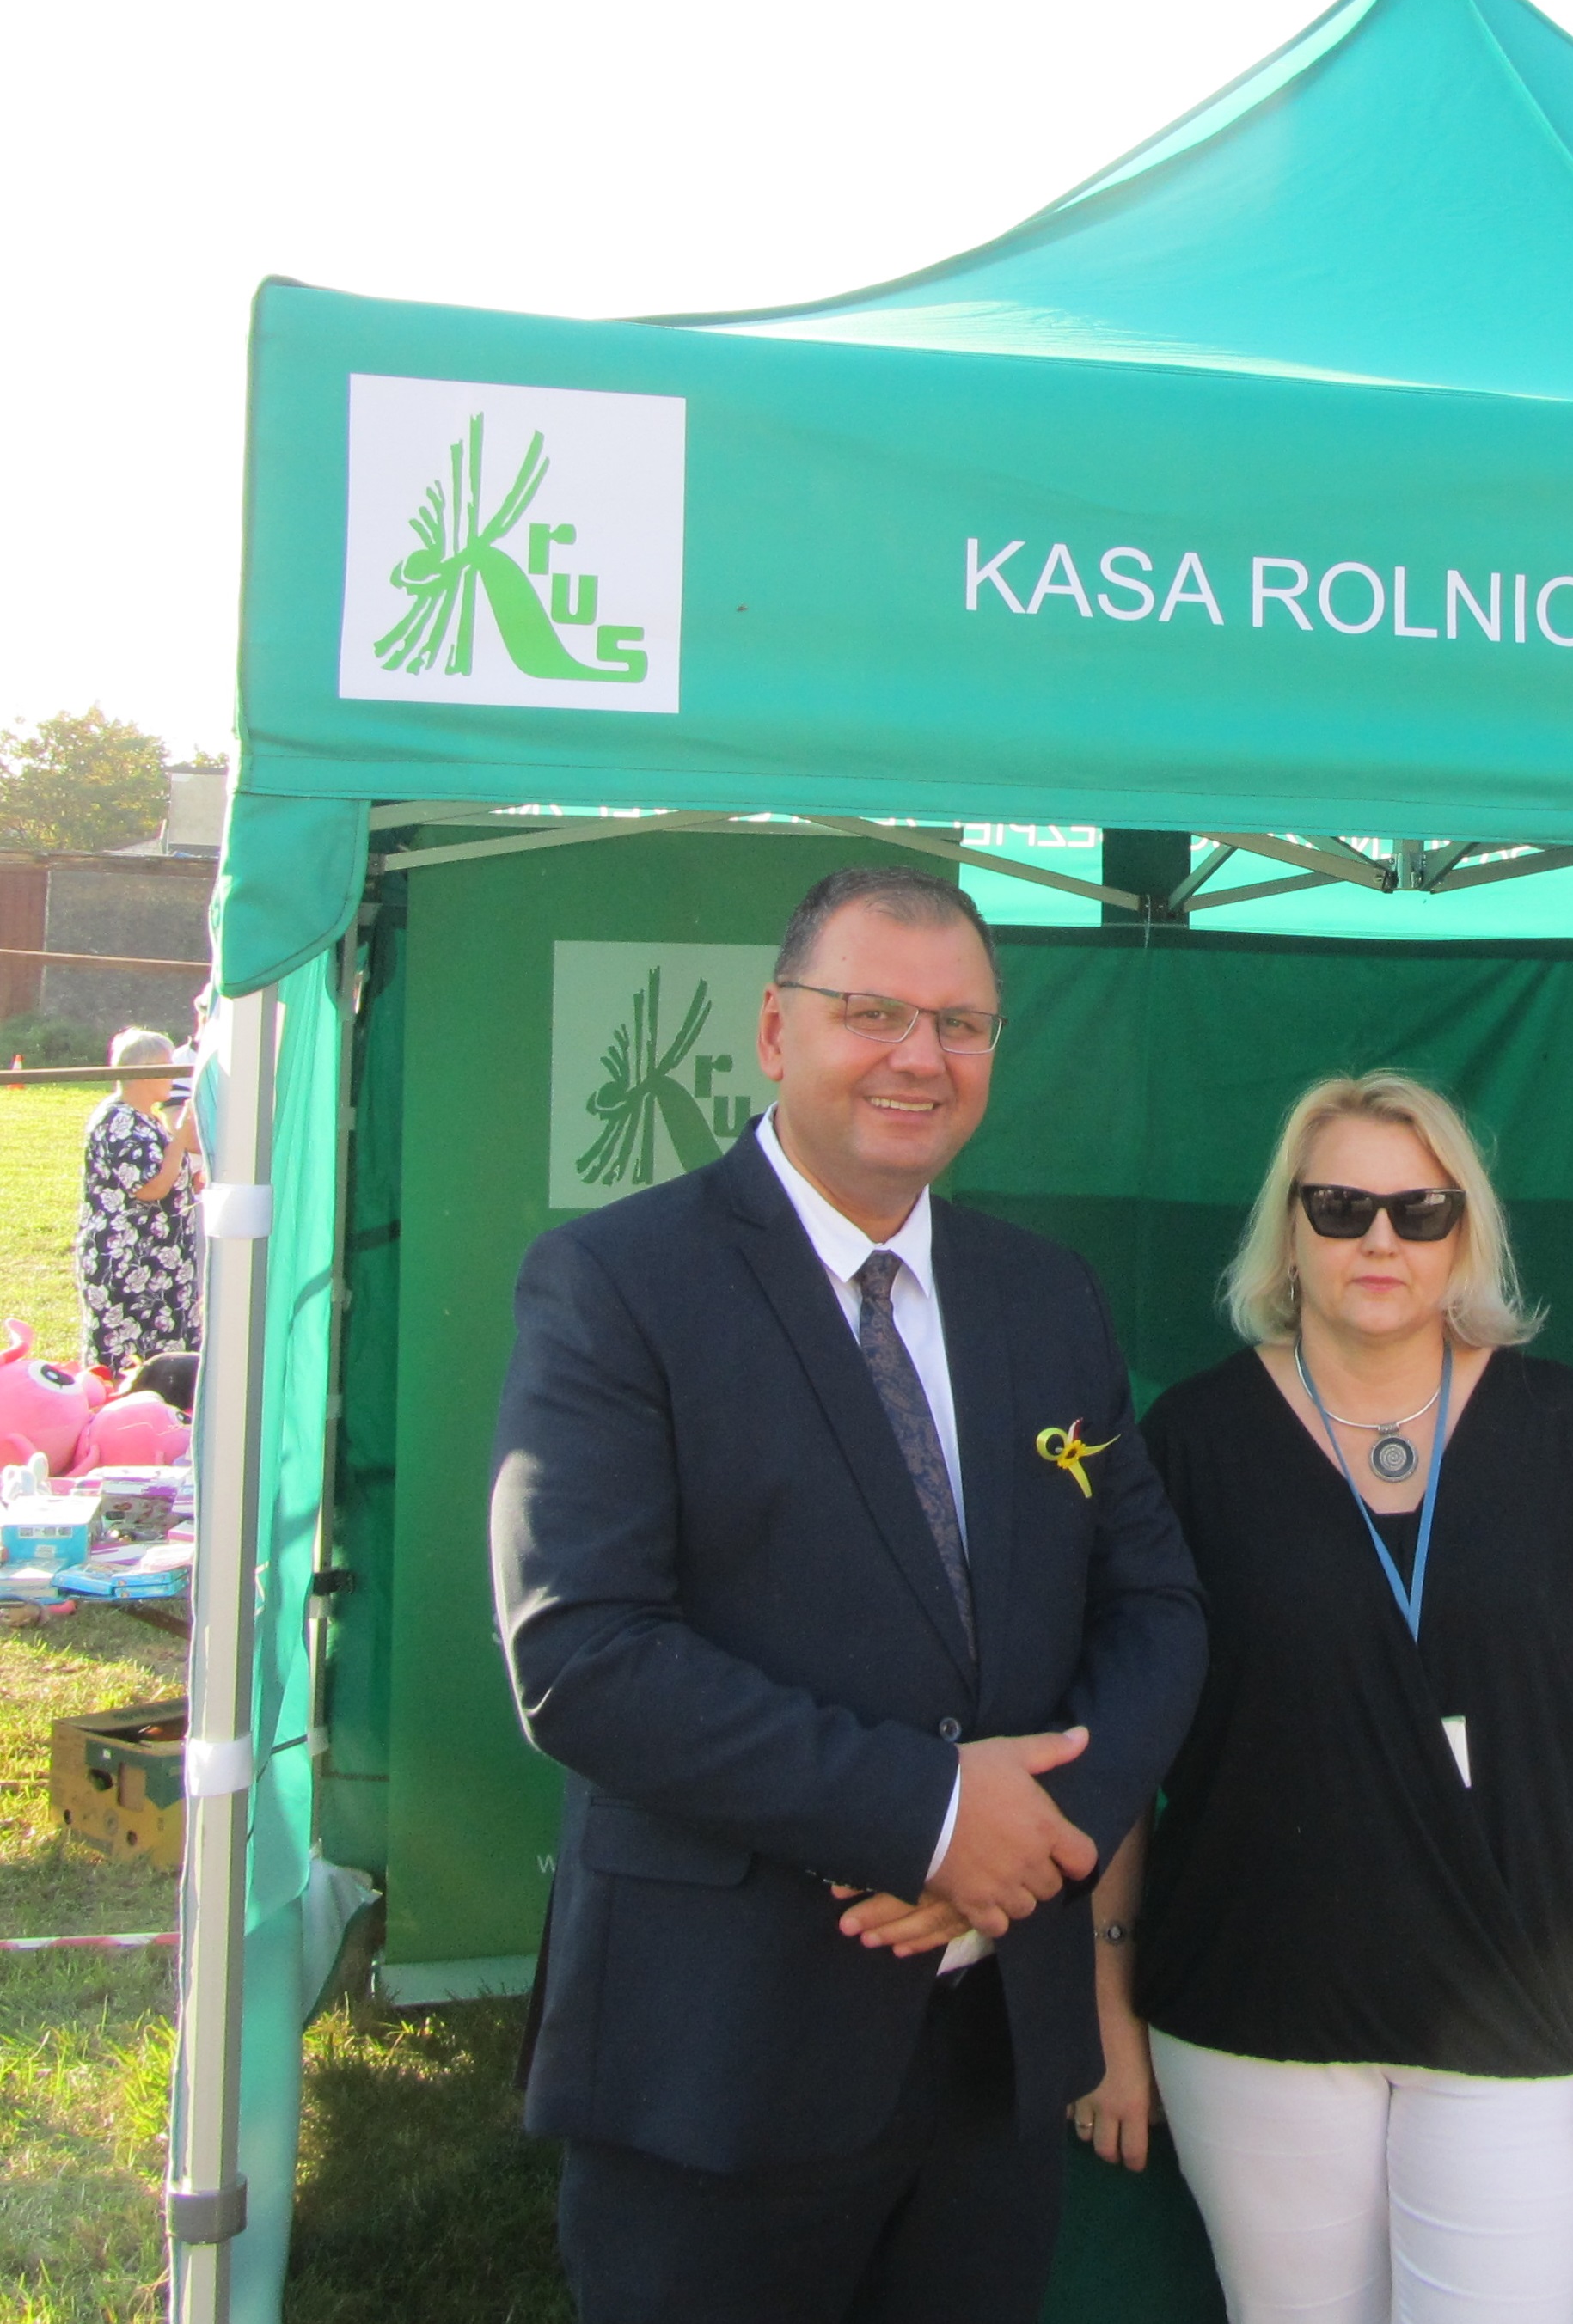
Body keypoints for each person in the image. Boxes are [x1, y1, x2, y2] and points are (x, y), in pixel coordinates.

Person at [488, 866, 1207, 2324]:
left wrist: (1036, 1837)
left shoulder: (1046, 1296)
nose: (919, 1055)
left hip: (990, 2053)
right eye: (871, 1010)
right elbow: (581, 1650)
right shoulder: (616, 1280)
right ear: (774, 1028)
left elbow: (1157, 1605)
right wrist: (930, 1813)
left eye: (960, 1022)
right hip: (720, 2063)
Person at [1078, 1070, 1573, 2324]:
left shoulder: (1558, 1425)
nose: (1378, 1239)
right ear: (1288, 1227)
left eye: (1419, 1211)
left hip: (1523, 1998)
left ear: (1464, 1233)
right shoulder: (1188, 1440)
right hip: (1254, 2005)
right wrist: (1102, 1999)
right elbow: (1120, 1742)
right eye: (1340, 1206)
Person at [76, 1027, 199, 1374]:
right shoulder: (119, 1120)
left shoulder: (142, 1117)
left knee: (161, 1358)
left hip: (153, 1264)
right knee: (126, 1361)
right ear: (146, 1072)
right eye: (168, 1067)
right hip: (128, 1263)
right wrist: (180, 1138)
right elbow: (150, 1188)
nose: (174, 1075)